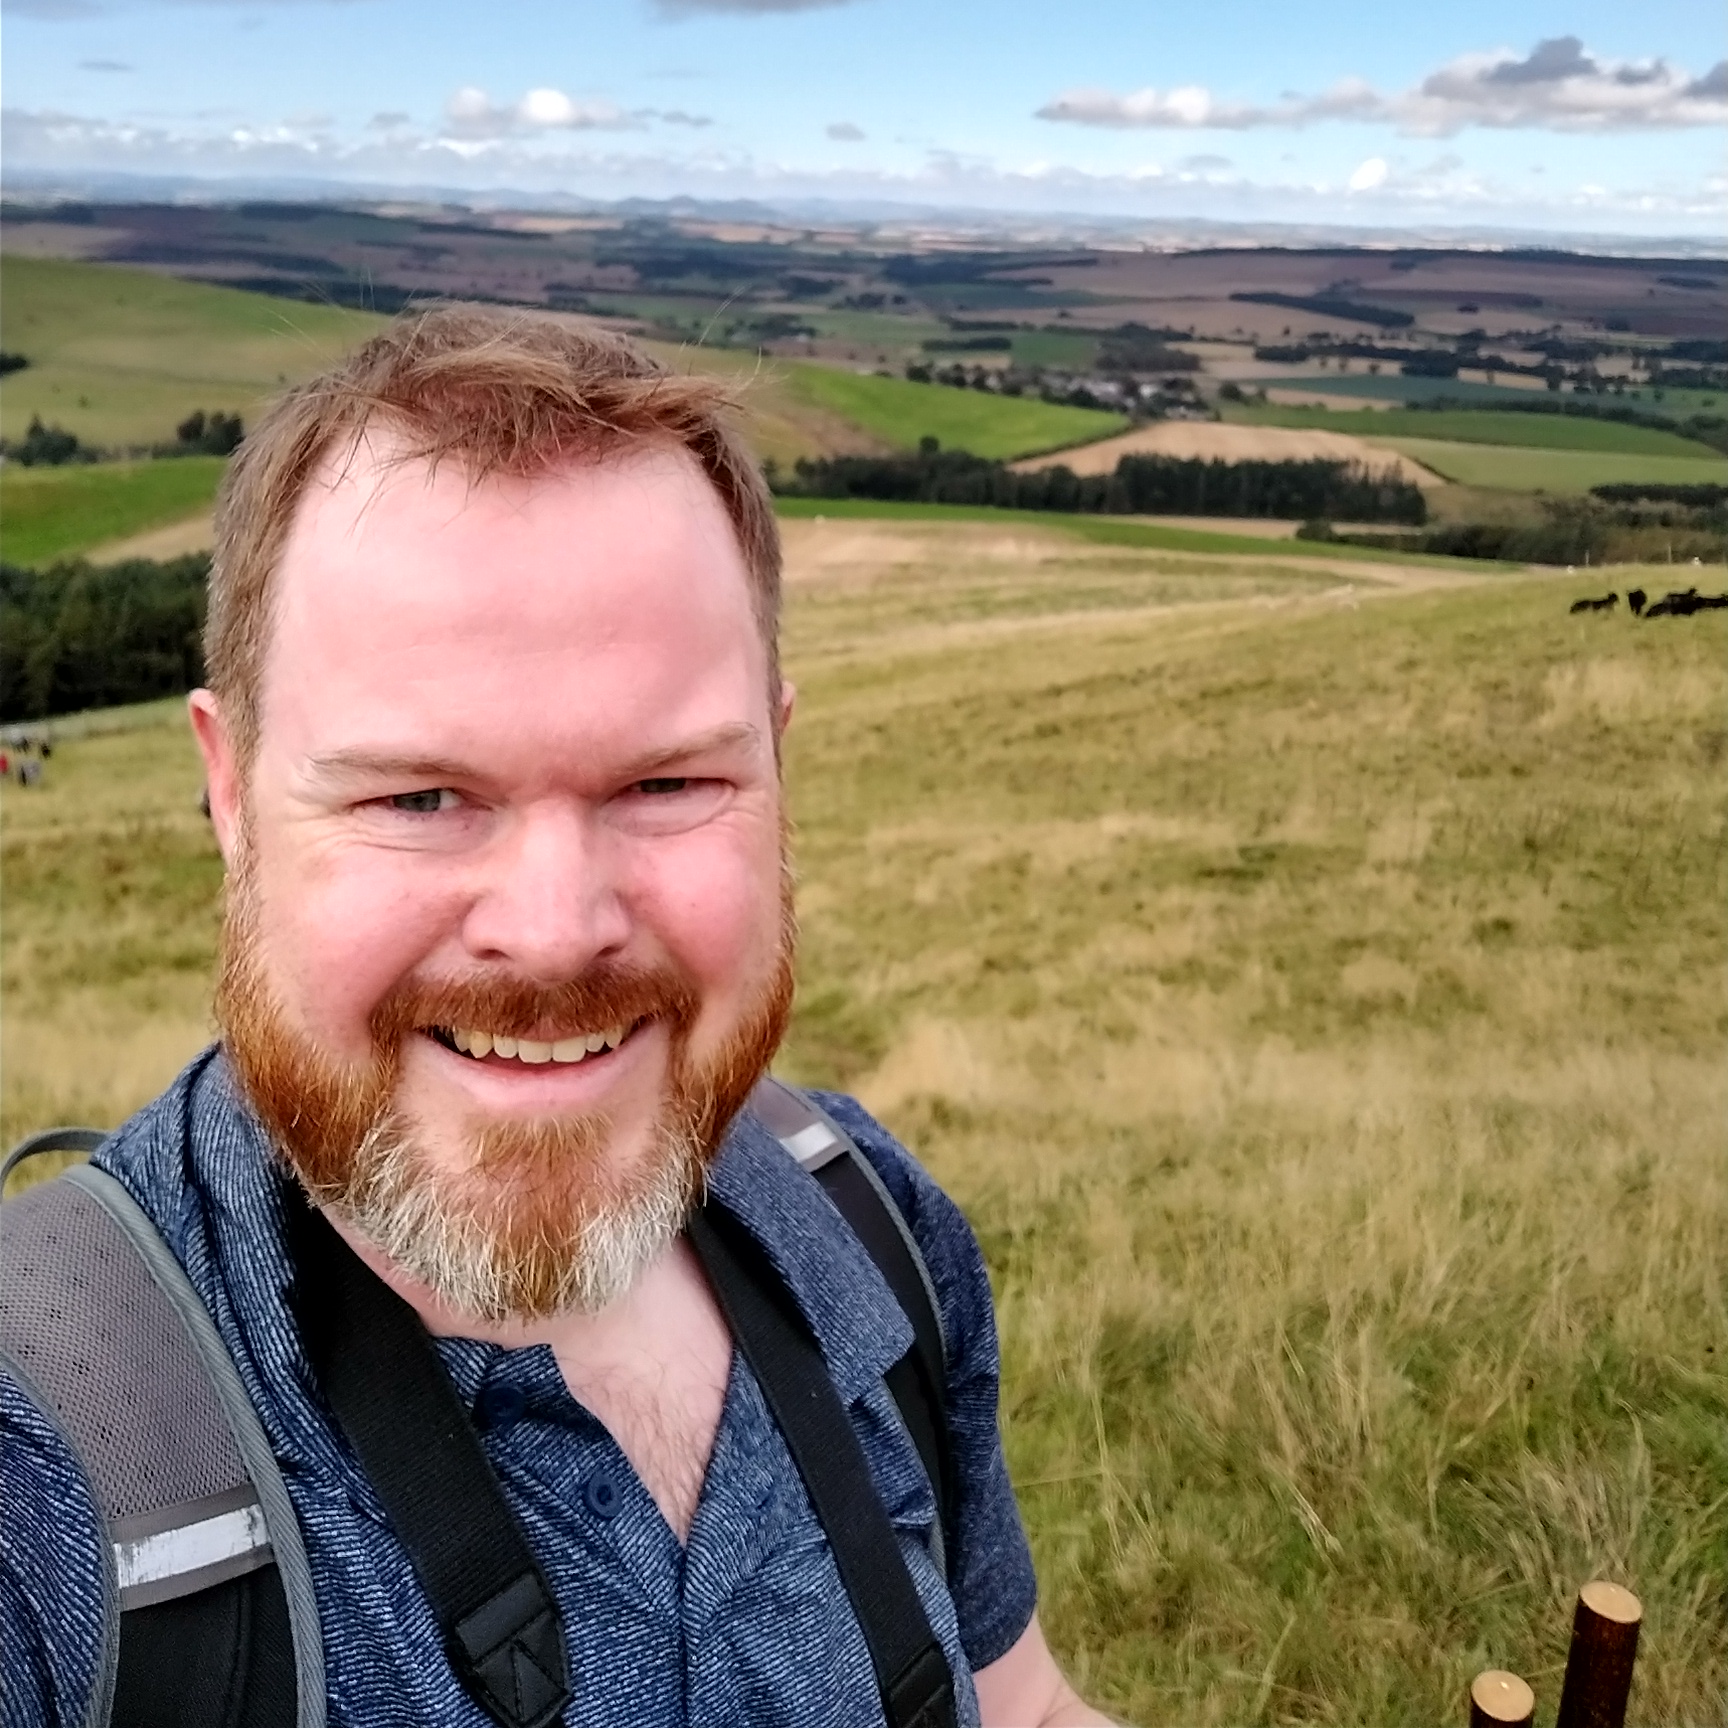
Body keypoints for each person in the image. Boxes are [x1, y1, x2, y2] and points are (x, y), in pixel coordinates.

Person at [1, 307, 1116, 1728]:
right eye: (418, 796)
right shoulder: (34, 1482)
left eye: (665, 785)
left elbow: (1018, 1708)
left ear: (776, 763)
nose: (554, 925)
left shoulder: (870, 1236)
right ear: (230, 795)